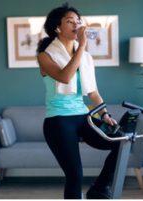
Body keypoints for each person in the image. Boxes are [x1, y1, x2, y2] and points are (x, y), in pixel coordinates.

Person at [37, 3, 119, 199]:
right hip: (58, 121)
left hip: (83, 117)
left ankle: (99, 188)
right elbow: (65, 77)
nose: (76, 24)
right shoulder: (45, 56)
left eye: (78, 21)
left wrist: (105, 115)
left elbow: (93, 93)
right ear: (58, 27)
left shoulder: (85, 57)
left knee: (122, 143)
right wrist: (82, 45)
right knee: (75, 175)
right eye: (70, 21)